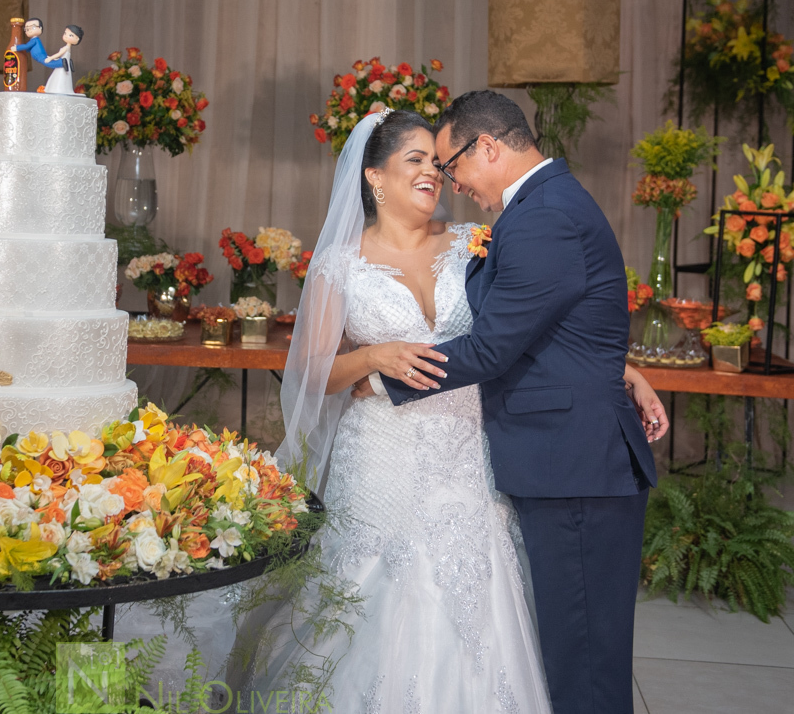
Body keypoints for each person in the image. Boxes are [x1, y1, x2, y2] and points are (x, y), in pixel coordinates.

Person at [234, 107, 667, 712]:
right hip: (383, 455)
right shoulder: (339, 264)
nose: (436, 175)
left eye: (440, 163)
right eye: (416, 160)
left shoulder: (474, 242)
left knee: (499, 600)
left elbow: (526, 326)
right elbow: (310, 372)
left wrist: (620, 371)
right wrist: (372, 360)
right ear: (374, 178)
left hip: (471, 451)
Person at [358, 91, 663, 714]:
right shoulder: (541, 206)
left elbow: (494, 347)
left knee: (584, 660)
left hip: (575, 463)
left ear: (488, 147)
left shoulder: (541, 214)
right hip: (565, 458)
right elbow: (556, 326)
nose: (452, 182)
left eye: (452, 165)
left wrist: (386, 376)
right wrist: (620, 368)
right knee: (576, 650)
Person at [43, 24, 83, 95]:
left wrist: (50, 58)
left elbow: (59, 54)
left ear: (77, 40)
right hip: (64, 64)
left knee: (60, 77)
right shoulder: (68, 48)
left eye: (70, 35)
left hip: (62, 65)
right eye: (65, 33)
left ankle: (58, 89)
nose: (66, 36)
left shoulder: (66, 48)